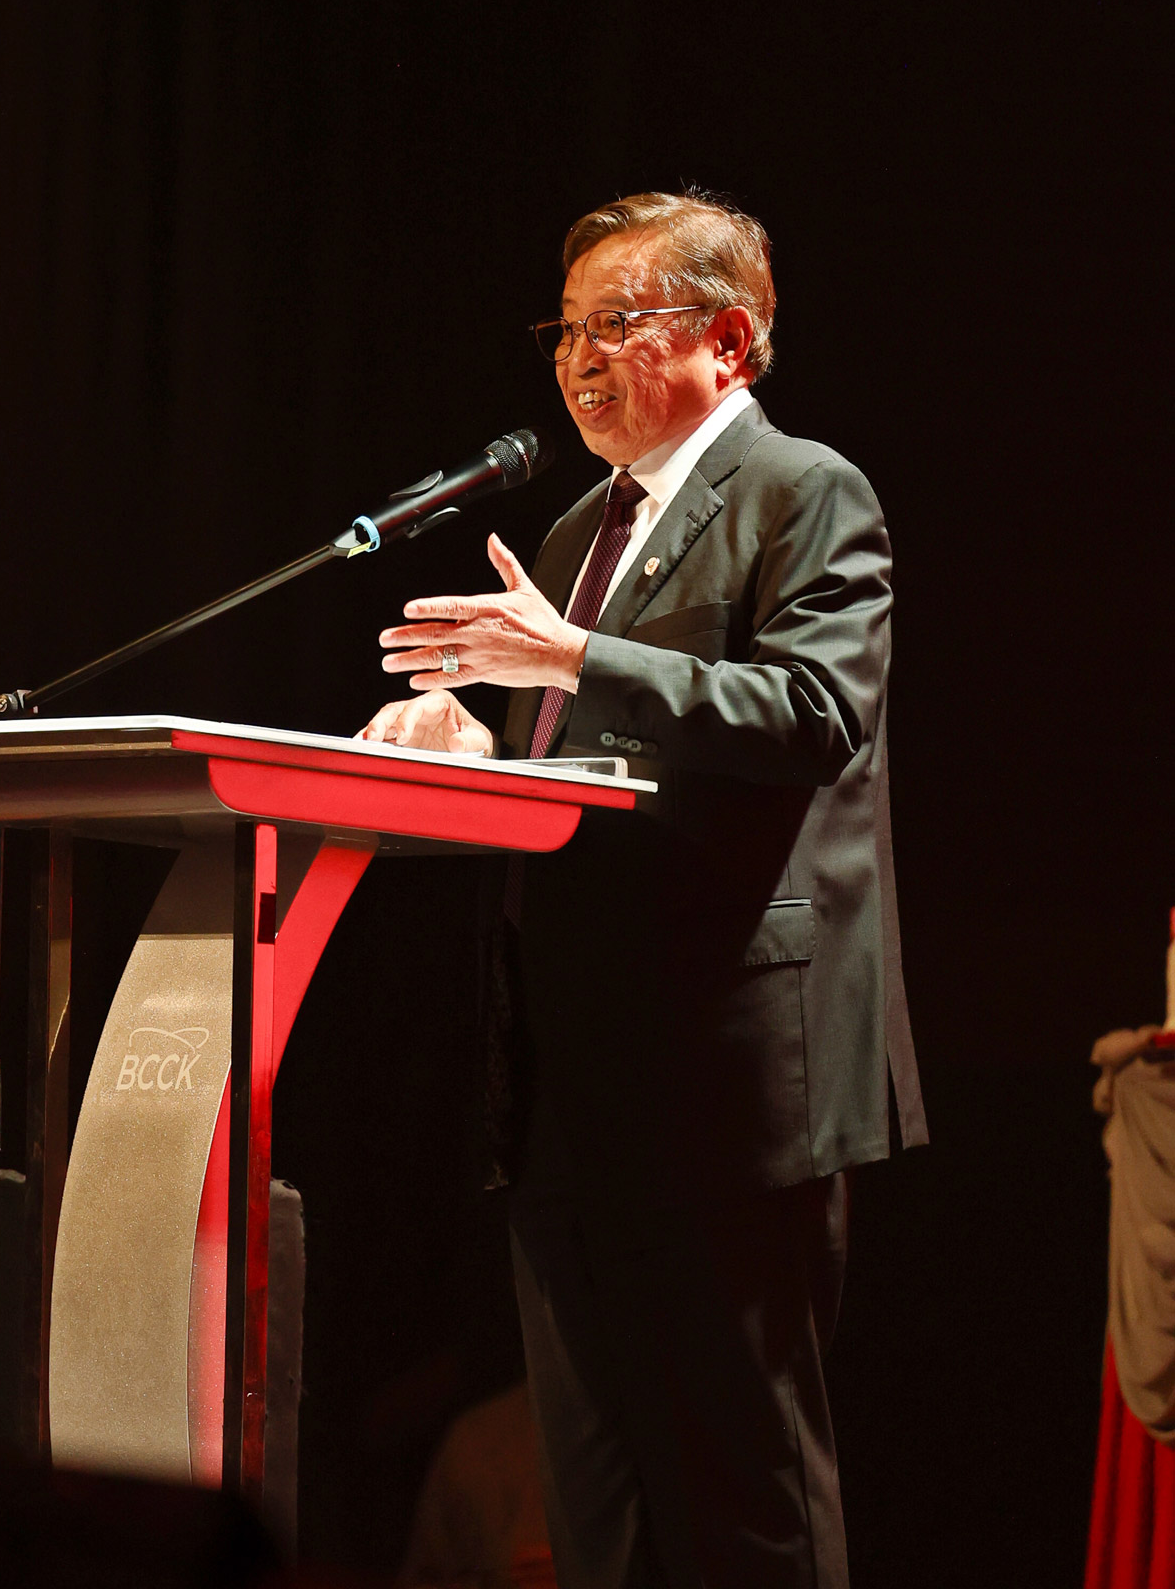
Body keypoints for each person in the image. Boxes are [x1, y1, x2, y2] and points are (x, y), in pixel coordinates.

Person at [359, 191, 926, 1589]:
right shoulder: (571, 537)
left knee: (743, 1485)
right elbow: (589, 769)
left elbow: (809, 711)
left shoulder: (803, 491)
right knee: (594, 1490)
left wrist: (564, 663)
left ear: (727, 342)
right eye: (566, 331)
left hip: (731, 1070)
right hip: (569, 1075)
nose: (577, 359)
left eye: (618, 323)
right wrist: (464, 754)